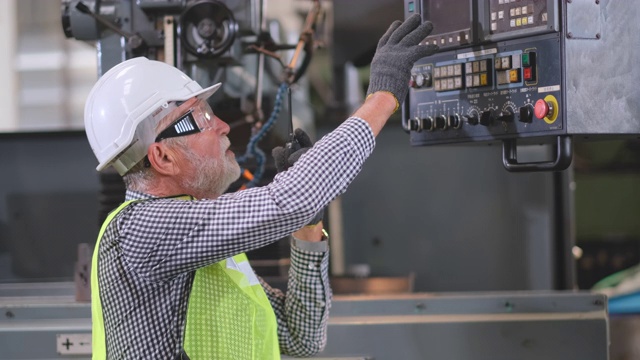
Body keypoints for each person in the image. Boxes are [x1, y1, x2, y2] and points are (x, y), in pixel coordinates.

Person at [84, 13, 437, 359]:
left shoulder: (207, 251)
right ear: (162, 157)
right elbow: (288, 200)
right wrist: (381, 98)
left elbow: (303, 338)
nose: (222, 125)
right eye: (202, 116)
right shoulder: (142, 230)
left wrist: (308, 224)